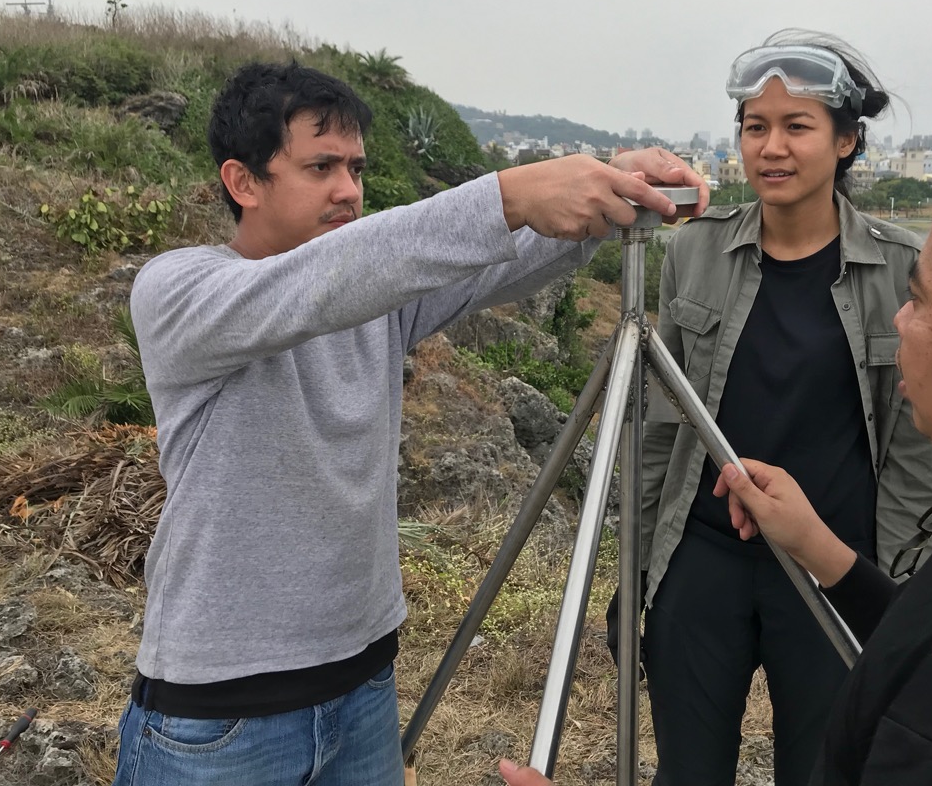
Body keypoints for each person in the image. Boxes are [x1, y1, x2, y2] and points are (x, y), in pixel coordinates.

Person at [498, 115, 932, 785]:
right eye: (754, 126)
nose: (898, 321)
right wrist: (826, 556)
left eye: (919, 303)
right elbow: (931, 635)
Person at [111, 61, 708, 786]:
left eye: (356, 168)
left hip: (362, 686)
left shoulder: (376, 301)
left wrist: (615, 188)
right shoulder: (181, 293)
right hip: (220, 716)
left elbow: (488, 261)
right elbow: (325, 281)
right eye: (321, 166)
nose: (349, 190)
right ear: (243, 182)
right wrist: (511, 191)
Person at [624, 32, 932, 786]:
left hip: (832, 563)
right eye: (754, 127)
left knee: (822, 769)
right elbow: (660, 428)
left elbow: (916, 451)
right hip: (703, 562)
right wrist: (638, 578)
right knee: (689, 769)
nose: (771, 148)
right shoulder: (695, 252)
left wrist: (889, 591)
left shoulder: (901, 270)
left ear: (845, 142)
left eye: (796, 127)